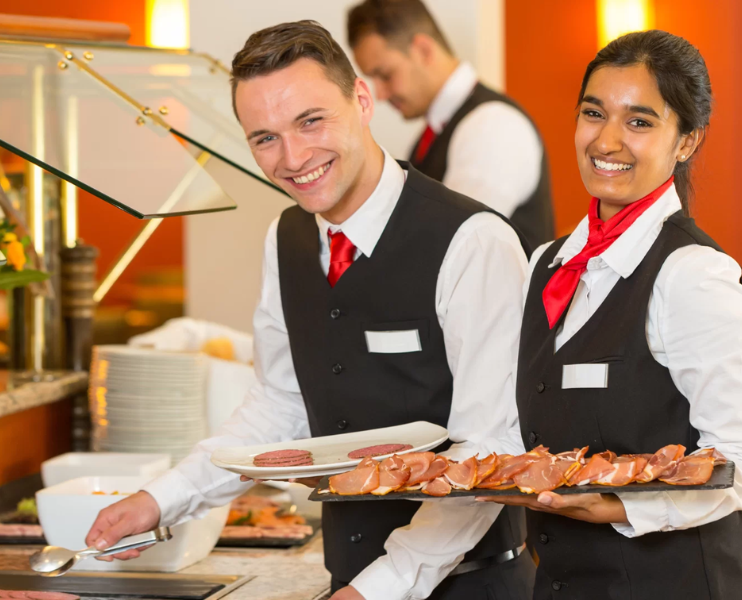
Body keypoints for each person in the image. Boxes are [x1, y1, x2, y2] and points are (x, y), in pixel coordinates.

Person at [83, 21, 535, 600]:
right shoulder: (285, 238)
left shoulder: (473, 241)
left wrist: (380, 586)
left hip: (469, 586)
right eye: (264, 137)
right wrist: (160, 498)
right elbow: (278, 404)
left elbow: (489, 449)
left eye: (311, 121)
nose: (293, 157)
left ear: (363, 101)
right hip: (348, 577)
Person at [479, 30, 742, 599]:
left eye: (639, 122)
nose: (606, 140)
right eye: (594, 113)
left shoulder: (692, 275)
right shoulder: (547, 262)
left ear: (686, 141)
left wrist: (618, 505)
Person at [347, 0, 555, 249]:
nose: (379, 94)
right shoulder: (435, 133)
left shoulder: (491, 126)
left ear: (423, 50)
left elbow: (452, 243)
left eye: (385, 75)